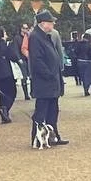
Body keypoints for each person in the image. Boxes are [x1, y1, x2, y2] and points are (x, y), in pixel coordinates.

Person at [28, 10, 68, 147]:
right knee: (41, 111)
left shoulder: (45, 36)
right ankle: (37, 138)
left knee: (53, 110)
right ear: (43, 23)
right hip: (44, 81)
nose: (53, 24)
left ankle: (53, 136)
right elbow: (37, 60)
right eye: (51, 22)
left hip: (51, 81)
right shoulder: (35, 37)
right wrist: (49, 74)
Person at [0, 29, 18, 124]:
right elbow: (13, 56)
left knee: (2, 94)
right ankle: (5, 109)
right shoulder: (5, 45)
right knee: (12, 93)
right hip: (7, 73)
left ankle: (4, 111)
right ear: (2, 35)